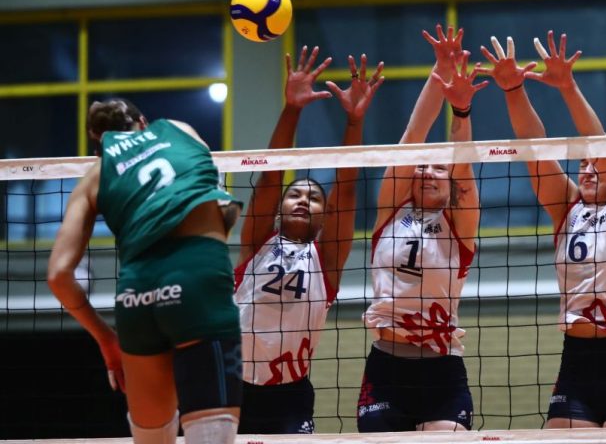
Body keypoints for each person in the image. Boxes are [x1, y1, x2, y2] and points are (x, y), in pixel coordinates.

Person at [478, 30, 606, 428]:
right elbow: (533, 147)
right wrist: (513, 89)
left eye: (596, 163)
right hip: (578, 361)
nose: (588, 168)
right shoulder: (567, 207)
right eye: (581, 163)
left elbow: (600, 147)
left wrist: (568, 87)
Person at [47, 98, 244, 444]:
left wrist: (107, 340)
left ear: (98, 142)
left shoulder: (95, 175)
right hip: (195, 276)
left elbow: (58, 275)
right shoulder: (178, 130)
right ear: (143, 121)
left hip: (135, 295)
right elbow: (222, 206)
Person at [235, 46, 383, 434]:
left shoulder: (325, 259)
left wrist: (354, 121)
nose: (302, 200)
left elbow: (346, 190)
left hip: (290, 396)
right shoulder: (256, 243)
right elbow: (270, 175)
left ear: (323, 215)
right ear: (280, 207)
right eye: (295, 194)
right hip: (233, 390)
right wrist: (292, 108)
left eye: (314, 197)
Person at [357, 25, 487, 432]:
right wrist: (439, 70)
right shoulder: (391, 212)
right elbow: (413, 136)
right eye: (423, 166)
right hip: (386, 365)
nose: (428, 171)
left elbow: (463, 164)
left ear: (451, 181)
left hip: (442, 370)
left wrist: (461, 111)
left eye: (438, 168)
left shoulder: (459, 222)